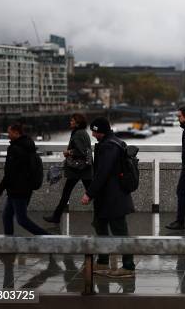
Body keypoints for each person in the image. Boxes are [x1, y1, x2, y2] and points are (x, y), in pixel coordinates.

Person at [81, 117, 135, 278]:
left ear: (101, 131)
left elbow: (102, 173)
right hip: (107, 196)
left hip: (114, 197)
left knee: (120, 231)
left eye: (94, 131)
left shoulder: (110, 146)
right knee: (100, 226)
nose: (92, 134)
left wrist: (89, 194)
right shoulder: (112, 142)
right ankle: (103, 262)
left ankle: (128, 267)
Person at [0, 123, 49, 236]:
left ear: (16, 132)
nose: (8, 135)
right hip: (23, 188)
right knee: (7, 215)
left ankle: (49, 238)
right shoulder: (28, 145)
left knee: (22, 220)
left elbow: (10, 172)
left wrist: (0, 188)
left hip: (18, 189)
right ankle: (8, 240)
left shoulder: (15, 149)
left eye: (9, 132)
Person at [44, 114, 93, 224]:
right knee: (91, 192)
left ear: (77, 123)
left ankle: (56, 217)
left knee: (68, 193)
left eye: (72, 120)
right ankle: (56, 216)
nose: (70, 122)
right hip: (84, 168)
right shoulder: (83, 133)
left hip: (78, 169)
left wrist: (69, 152)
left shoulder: (78, 134)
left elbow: (81, 151)